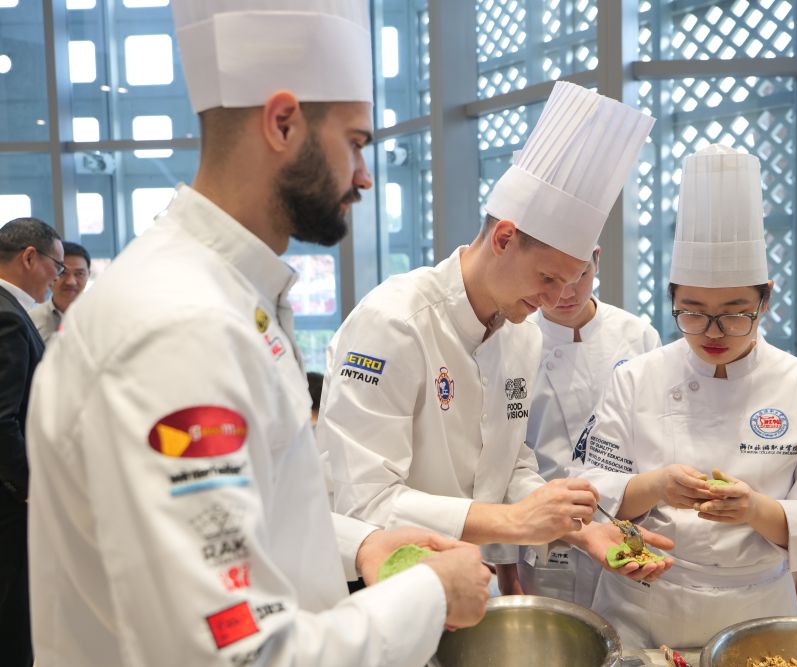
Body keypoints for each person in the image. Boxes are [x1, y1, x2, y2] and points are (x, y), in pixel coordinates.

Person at [25, 2, 490, 666]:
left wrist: (361, 544)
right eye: (356, 143)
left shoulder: (227, 294)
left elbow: (244, 515)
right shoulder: (180, 326)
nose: (364, 175)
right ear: (282, 123)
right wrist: (431, 595)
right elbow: (238, 653)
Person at [318, 81, 671, 595]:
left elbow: (509, 464)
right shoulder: (394, 323)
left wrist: (579, 529)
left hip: (457, 577)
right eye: (547, 278)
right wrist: (514, 522)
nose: (554, 299)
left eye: (571, 281)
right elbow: (365, 503)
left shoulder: (521, 336)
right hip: (372, 586)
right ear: (504, 238)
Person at [575, 144, 797, 651]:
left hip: (756, 610)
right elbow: (591, 491)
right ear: (671, 298)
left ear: (765, 298)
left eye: (734, 313)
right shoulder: (635, 379)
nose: (712, 331)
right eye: (691, 311)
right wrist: (657, 486)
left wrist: (755, 509)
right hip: (643, 604)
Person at [518, 245, 662, 605]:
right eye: (550, 279)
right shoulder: (514, 340)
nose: (566, 292)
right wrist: (504, 564)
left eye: (579, 275)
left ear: (597, 259)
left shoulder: (638, 336)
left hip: (628, 530)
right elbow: (500, 461)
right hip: (548, 538)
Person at [0, 217, 63, 667]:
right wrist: (30, 487)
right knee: (13, 621)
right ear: (29, 257)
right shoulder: (8, 316)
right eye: (56, 267)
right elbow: (3, 418)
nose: (57, 279)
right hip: (8, 503)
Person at [30, 241, 91, 344]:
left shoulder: (103, 316)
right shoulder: (32, 319)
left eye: (79, 274)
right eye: (62, 273)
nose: (71, 282)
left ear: (89, 274)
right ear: (50, 273)